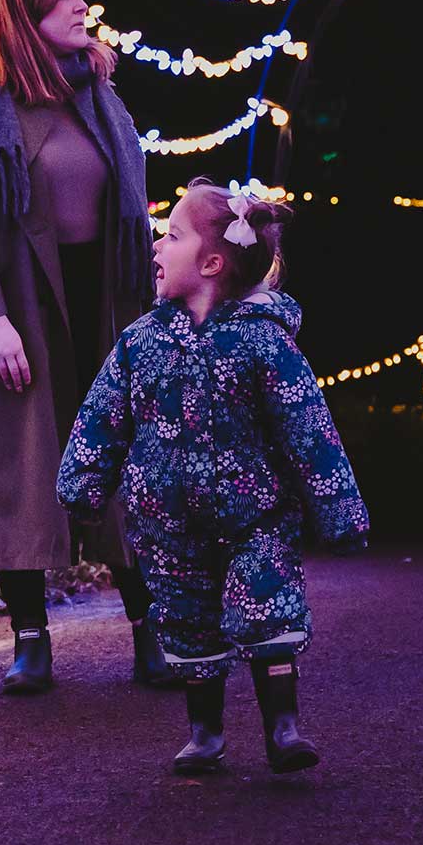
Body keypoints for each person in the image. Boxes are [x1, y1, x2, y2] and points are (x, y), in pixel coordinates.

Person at [0, 0, 171, 696]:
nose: (81, 6)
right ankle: (30, 638)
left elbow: (128, 206)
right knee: (17, 463)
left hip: (104, 295)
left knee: (128, 459)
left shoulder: (95, 87)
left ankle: (151, 630)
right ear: (26, 11)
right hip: (15, 293)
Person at [59, 180, 368, 775]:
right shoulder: (140, 343)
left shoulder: (262, 343)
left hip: (256, 514)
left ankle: (283, 727)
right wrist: (84, 482)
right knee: (185, 617)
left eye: (171, 235)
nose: (156, 244)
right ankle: (205, 732)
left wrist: (339, 509)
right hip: (167, 521)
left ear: (210, 262)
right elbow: (103, 415)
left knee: (268, 607)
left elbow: (308, 427)